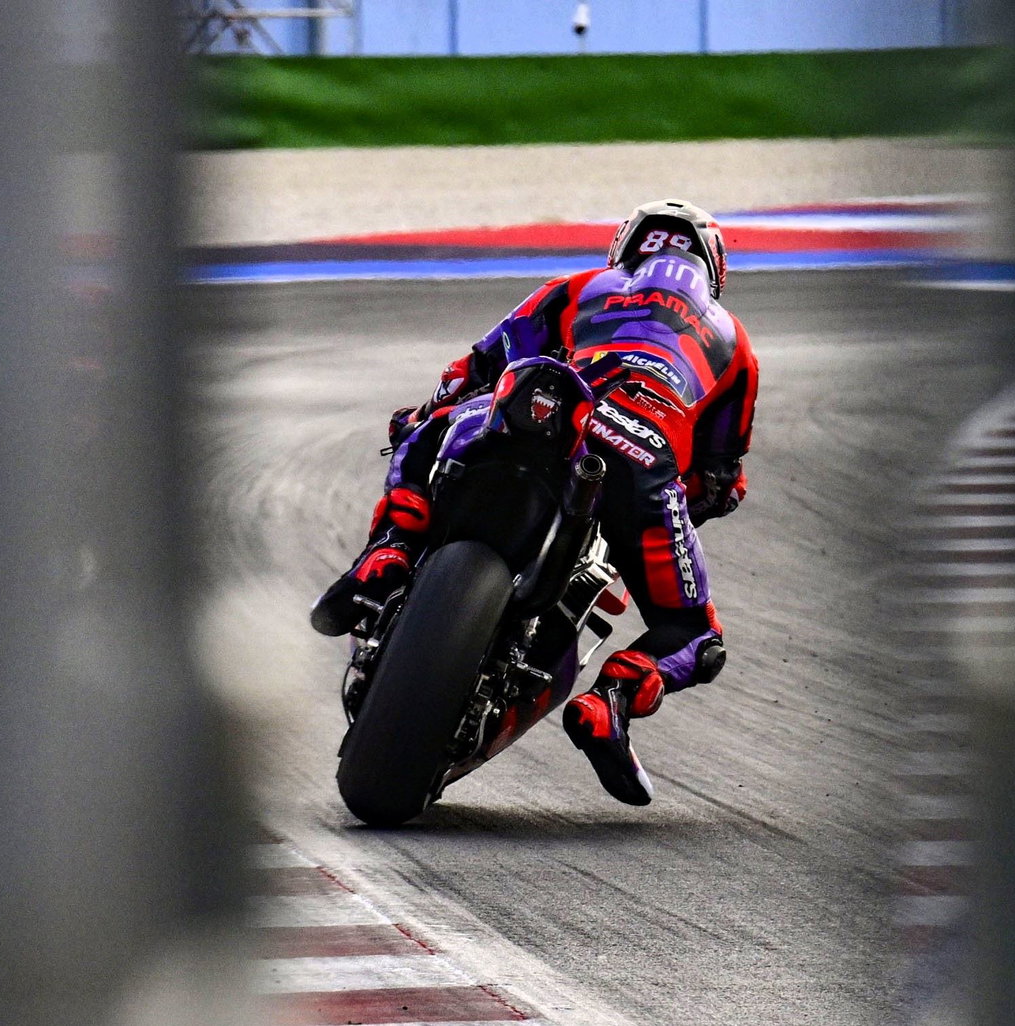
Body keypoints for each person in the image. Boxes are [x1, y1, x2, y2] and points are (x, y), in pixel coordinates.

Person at [311, 199, 759, 806]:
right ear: (715, 269)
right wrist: (685, 501)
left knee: (428, 430)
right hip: (638, 454)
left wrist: (417, 416)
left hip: (550, 406)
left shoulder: (580, 286)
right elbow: (722, 476)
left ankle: (387, 552)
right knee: (694, 636)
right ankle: (611, 700)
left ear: (625, 246)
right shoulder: (735, 345)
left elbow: (474, 366)